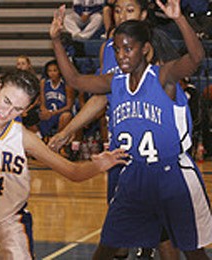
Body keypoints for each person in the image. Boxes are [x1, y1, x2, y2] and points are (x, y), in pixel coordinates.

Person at [50, 0, 212, 259]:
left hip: (172, 176)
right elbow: (74, 80)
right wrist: (57, 40)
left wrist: (179, 19)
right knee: (108, 246)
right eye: (117, 50)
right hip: (133, 175)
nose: (122, 55)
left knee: (192, 252)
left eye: (128, 49)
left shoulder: (163, 77)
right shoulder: (115, 82)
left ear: (145, 50)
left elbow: (195, 58)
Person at [0, 69, 128, 259]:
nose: (7, 112)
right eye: (6, 101)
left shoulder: (23, 137)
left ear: (25, 110)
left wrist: (100, 165)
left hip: (10, 221)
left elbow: (73, 172)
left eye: (17, 109)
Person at [39, 59, 74, 140]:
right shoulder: (44, 82)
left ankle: (58, 141)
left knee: (66, 116)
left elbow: (69, 106)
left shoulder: (66, 84)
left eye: (55, 70)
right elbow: (42, 102)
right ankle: (42, 139)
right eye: (49, 71)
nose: (52, 73)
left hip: (60, 112)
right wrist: (44, 110)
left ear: (60, 71)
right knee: (32, 116)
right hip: (48, 112)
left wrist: (54, 113)